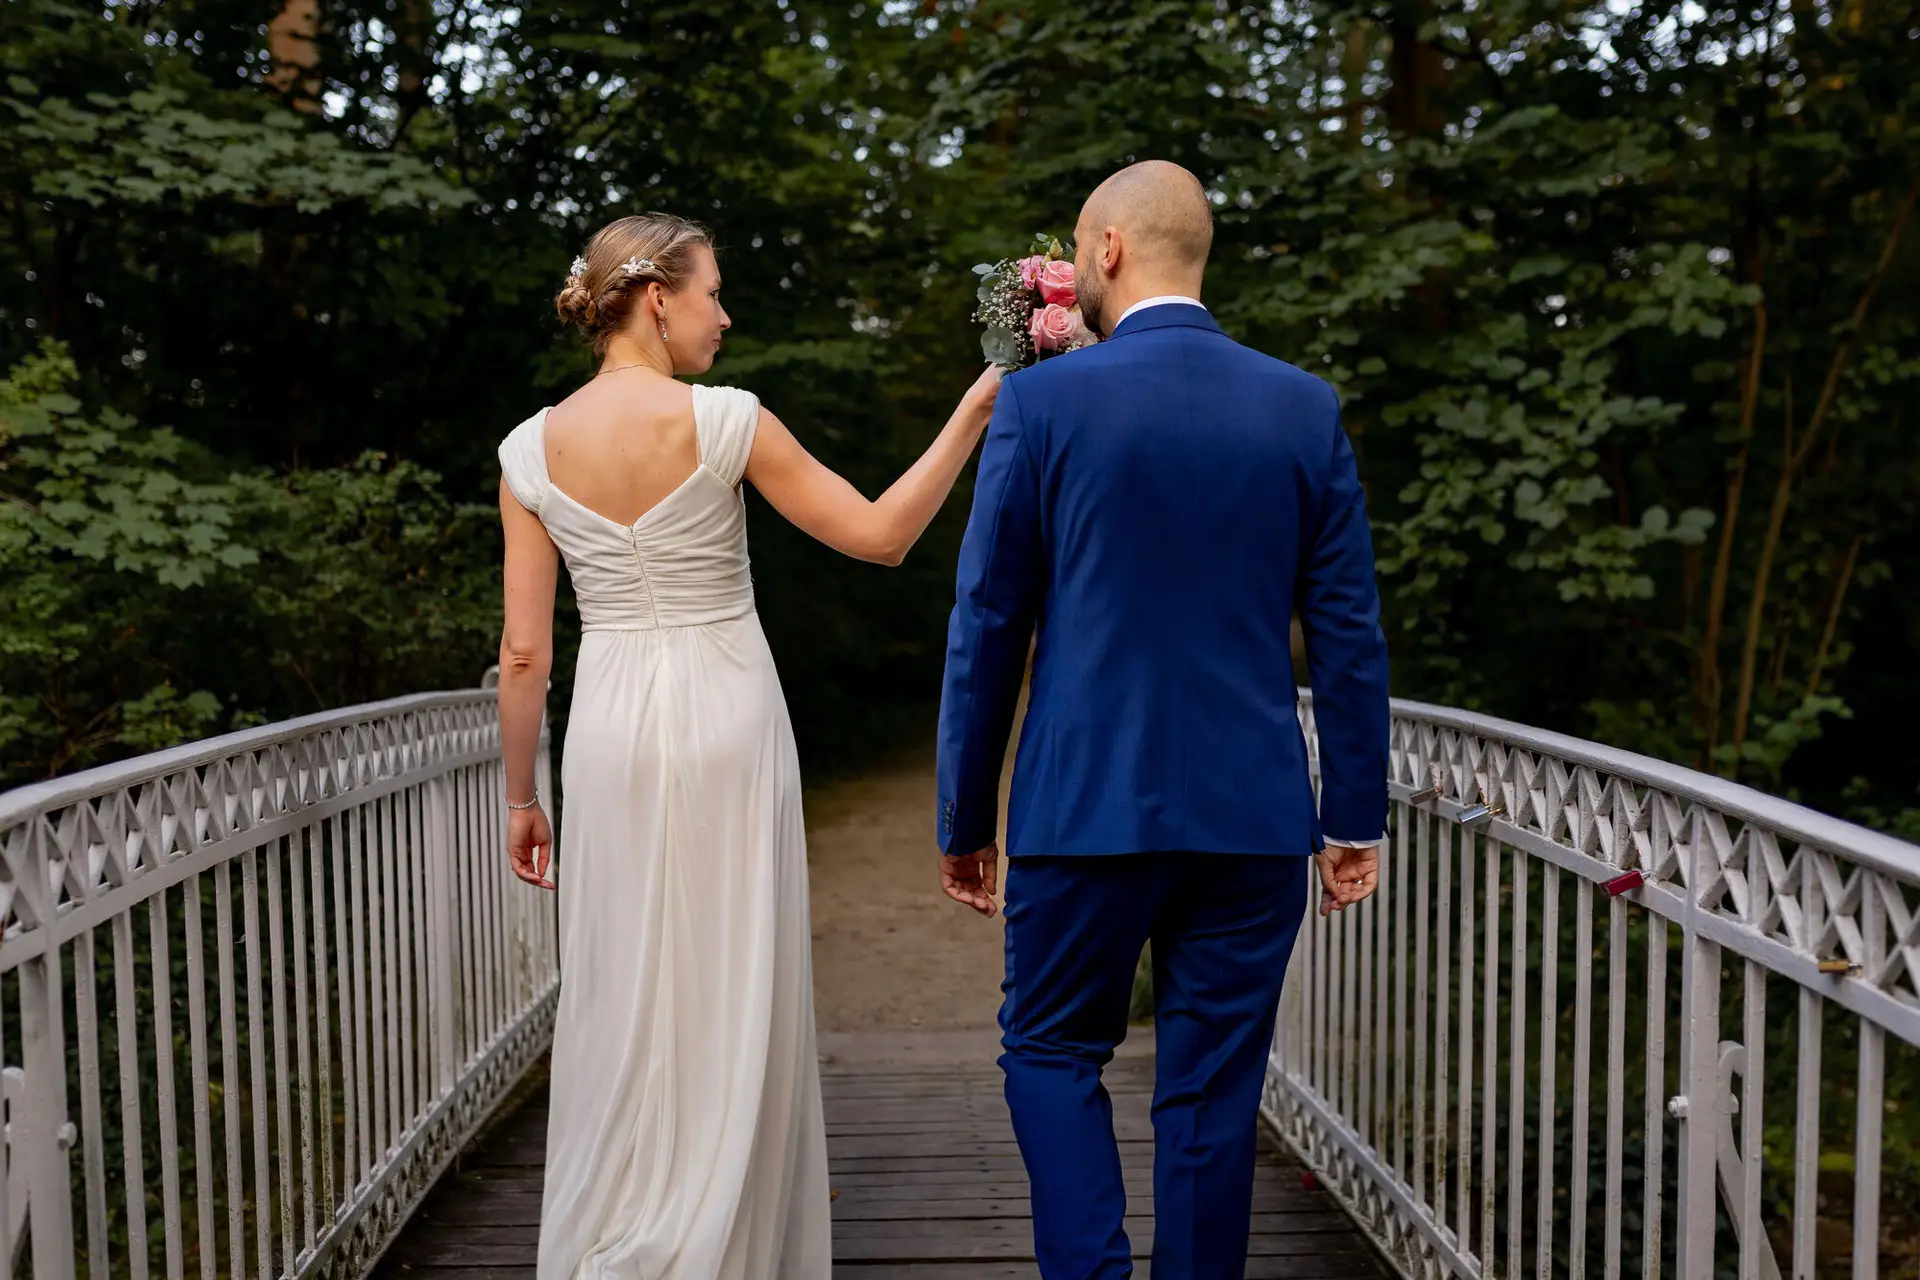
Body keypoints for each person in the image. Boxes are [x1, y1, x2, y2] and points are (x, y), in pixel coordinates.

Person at [495, 211, 1001, 1279]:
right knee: (734, 974)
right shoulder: (726, 421)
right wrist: (973, 411)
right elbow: (882, 534)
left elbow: (526, 652)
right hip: (727, 711)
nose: (726, 315)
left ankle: (620, 1230)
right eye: (714, 291)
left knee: (626, 981)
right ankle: (726, 1239)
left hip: (613, 725)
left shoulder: (528, 451)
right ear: (656, 296)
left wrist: (520, 798)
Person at [934, 161, 1390, 1279]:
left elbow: (989, 616)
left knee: (1048, 1050)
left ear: (1107, 250)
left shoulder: (1040, 401)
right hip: (1253, 817)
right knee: (1210, 1092)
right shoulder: (1301, 405)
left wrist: (965, 812)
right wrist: (1354, 817)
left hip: (1083, 805)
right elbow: (1347, 631)